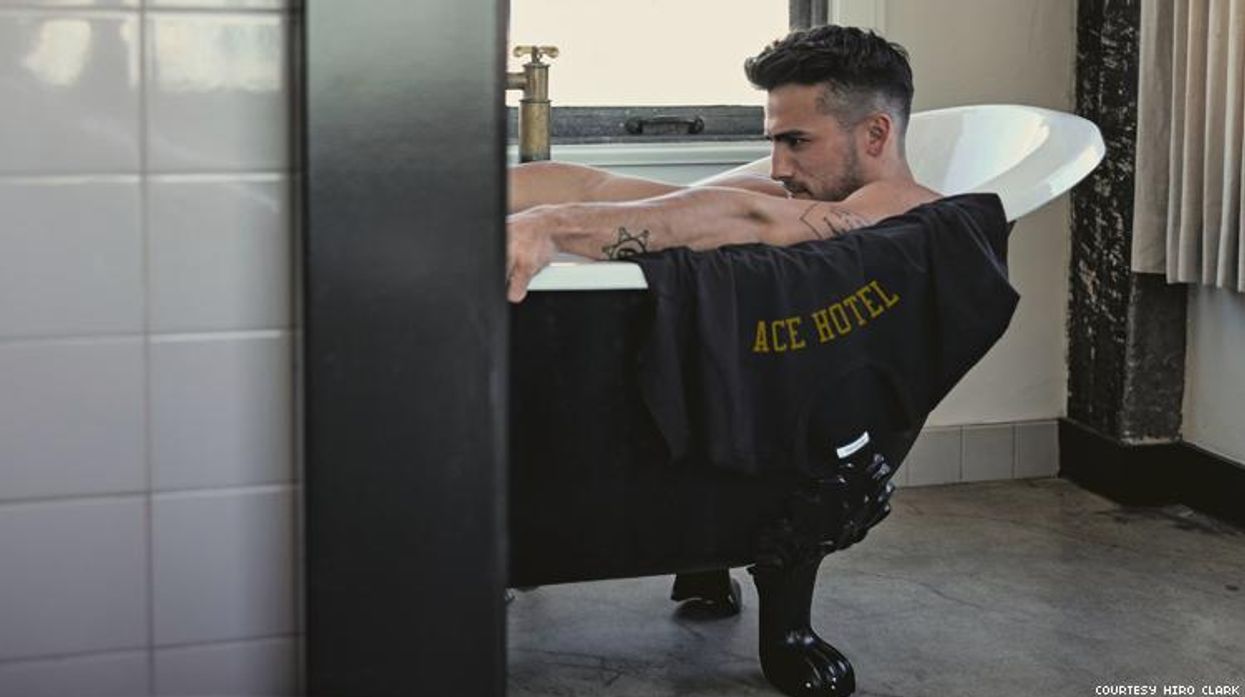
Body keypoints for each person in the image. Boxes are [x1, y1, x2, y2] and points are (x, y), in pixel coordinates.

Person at [506, 24, 942, 303]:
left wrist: (553, 226)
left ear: (876, 134)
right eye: (774, 141)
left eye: (797, 141)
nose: (778, 168)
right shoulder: (796, 200)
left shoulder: (908, 209)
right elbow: (595, 189)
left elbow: (744, 216)